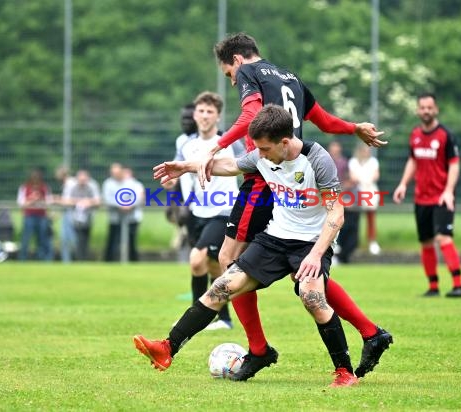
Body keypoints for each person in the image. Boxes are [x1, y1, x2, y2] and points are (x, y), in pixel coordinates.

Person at [137, 105, 387, 387]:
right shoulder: (263, 153)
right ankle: (167, 348)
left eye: (265, 149)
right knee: (221, 286)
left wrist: (316, 255)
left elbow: (336, 213)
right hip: (274, 238)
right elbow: (231, 165)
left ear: (284, 141)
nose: (261, 155)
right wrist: (185, 168)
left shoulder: (317, 158)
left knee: (311, 296)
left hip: (310, 243)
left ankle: (344, 373)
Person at [196, 32, 390, 379]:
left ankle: (257, 350)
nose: (232, 81)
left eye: (228, 75)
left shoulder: (247, 74)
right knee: (303, 271)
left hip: (264, 177)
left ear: (237, 60)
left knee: (228, 260)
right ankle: (370, 332)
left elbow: (250, 114)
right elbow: (323, 119)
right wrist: (353, 128)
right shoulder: (290, 78)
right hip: (292, 176)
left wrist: (216, 147)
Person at [165, 91, 242, 330]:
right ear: (195, 114)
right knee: (208, 266)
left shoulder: (229, 142)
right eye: (201, 111)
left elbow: (248, 165)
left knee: (197, 259)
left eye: (210, 111)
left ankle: (195, 317)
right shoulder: (184, 143)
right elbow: (179, 170)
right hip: (196, 212)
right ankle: (224, 319)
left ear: (218, 116)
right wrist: (170, 183)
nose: (205, 115)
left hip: (224, 210)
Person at [393, 93, 461, 298]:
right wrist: (403, 184)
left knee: (443, 238)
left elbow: (454, 165)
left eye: (429, 107)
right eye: (422, 107)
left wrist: (449, 191)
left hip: (441, 197)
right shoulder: (415, 134)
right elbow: (413, 161)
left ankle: (458, 285)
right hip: (421, 198)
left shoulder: (445, 135)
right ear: (418, 110)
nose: (426, 111)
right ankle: (433, 287)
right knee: (426, 242)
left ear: (436, 110)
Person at [164, 103, 197, 260]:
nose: (185, 122)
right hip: (187, 200)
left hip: (208, 201)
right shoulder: (181, 141)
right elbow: (177, 174)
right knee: (194, 248)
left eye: (189, 119)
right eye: (183, 119)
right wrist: (171, 201)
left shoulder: (211, 141)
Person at [328, 141, 360, 263]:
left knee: (343, 225)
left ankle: (341, 253)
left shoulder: (344, 162)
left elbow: (349, 179)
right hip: (328, 196)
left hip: (341, 196)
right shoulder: (324, 161)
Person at [349, 143, 381, 255]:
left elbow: (376, 175)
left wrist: (367, 180)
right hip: (357, 192)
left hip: (370, 190)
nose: (365, 153)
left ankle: (372, 242)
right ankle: (354, 243)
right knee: (354, 219)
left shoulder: (373, 162)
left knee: (371, 218)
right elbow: (353, 177)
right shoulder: (353, 162)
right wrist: (362, 180)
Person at [17, 167, 53, 261]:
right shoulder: (24, 187)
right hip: (29, 216)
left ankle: (42, 259)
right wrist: (32, 199)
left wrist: (40, 199)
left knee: (42, 239)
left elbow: (49, 203)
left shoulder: (45, 187)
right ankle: (23, 259)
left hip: (42, 216)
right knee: (26, 238)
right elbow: (21, 203)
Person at [64, 170, 101, 261]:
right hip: (74, 218)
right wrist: (79, 202)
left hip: (88, 218)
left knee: (85, 240)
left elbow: (98, 201)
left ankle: (82, 258)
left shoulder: (92, 186)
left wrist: (89, 202)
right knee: (76, 240)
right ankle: (77, 258)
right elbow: (65, 200)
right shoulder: (72, 187)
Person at [53, 166, 77, 262]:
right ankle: (67, 261)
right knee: (65, 239)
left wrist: (57, 200)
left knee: (70, 239)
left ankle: (70, 260)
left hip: (72, 215)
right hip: (67, 214)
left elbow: (71, 201)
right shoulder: (67, 184)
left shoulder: (70, 184)